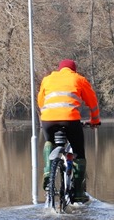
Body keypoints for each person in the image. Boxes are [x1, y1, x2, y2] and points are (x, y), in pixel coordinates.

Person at [37, 59, 101, 203]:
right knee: (78, 153)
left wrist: (50, 113)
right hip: (70, 120)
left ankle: (48, 171)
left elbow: (41, 101)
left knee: (50, 142)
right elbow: (93, 103)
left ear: (59, 69)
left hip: (48, 120)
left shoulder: (47, 79)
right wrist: (95, 121)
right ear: (74, 70)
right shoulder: (79, 79)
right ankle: (78, 192)